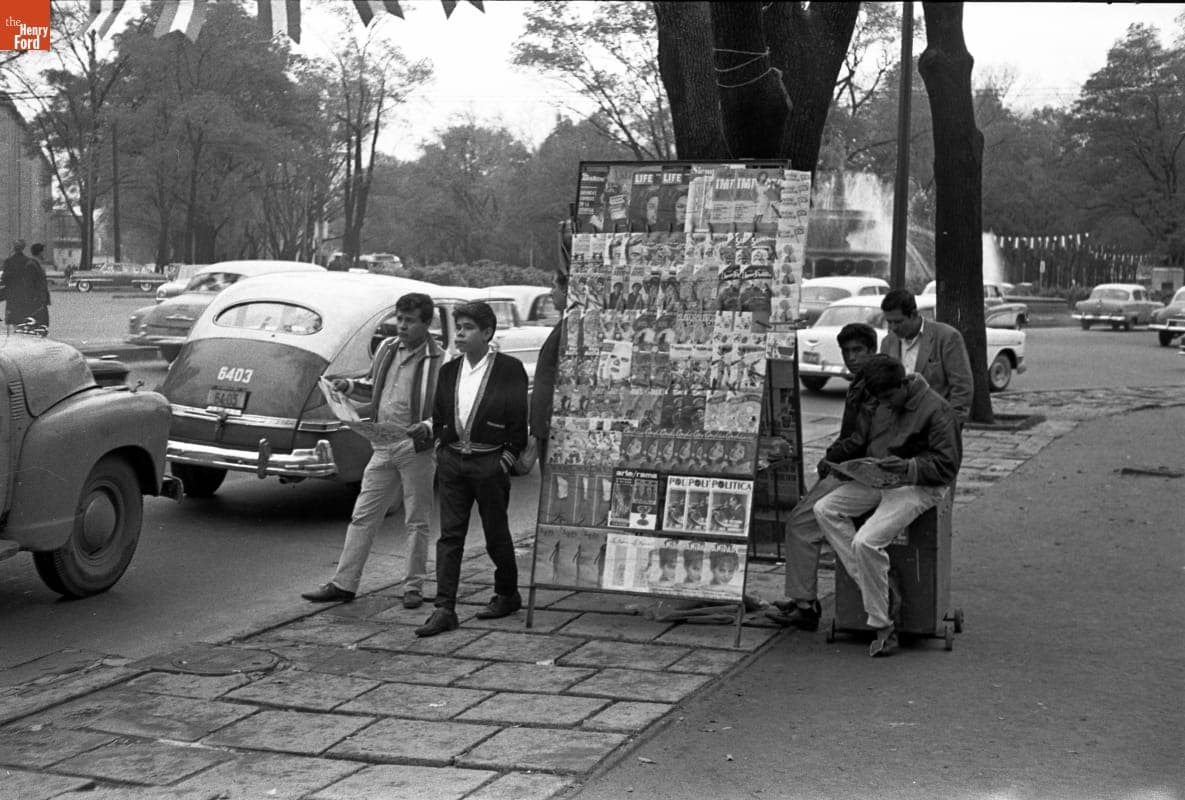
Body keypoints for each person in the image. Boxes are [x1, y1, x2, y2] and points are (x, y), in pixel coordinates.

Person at [813, 354, 962, 657]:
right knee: (825, 509)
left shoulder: (937, 410)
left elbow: (947, 467)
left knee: (865, 542)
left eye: (888, 398)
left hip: (918, 485)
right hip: (884, 477)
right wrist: (845, 465)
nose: (885, 404)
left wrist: (907, 467)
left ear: (903, 384)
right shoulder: (884, 401)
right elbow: (870, 444)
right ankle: (879, 585)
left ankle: (883, 624)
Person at [301, 293, 444, 609]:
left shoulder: (440, 359)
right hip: (382, 444)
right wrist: (347, 389)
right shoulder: (387, 348)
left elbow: (448, 408)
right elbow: (374, 388)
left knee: (417, 520)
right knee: (363, 516)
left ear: (426, 323)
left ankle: (413, 587)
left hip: (415, 448)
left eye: (410, 321)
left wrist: (429, 426)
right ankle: (344, 584)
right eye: (400, 319)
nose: (402, 326)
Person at [416, 301, 529, 637]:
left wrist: (504, 461)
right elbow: (439, 415)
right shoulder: (450, 371)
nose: (460, 334)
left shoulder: (509, 369)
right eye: (458, 328)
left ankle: (507, 593)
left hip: (489, 462)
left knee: (496, 533)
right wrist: (440, 447)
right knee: (450, 535)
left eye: (467, 328)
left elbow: (516, 425)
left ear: (487, 333)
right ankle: (444, 608)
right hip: (453, 462)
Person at [767, 322, 878, 630]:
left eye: (858, 351)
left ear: (873, 351)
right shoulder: (862, 381)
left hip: (855, 471)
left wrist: (831, 457)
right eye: (847, 351)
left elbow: (860, 439)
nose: (851, 357)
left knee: (801, 523)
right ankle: (802, 597)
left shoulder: (870, 385)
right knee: (802, 519)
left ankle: (804, 604)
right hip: (851, 467)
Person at [879, 288, 973, 424]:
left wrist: (953, 424)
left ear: (913, 314)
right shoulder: (888, 343)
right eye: (889, 322)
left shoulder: (947, 337)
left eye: (898, 322)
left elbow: (962, 386)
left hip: (936, 423)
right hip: (899, 426)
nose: (893, 327)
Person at [530, 271, 567, 467]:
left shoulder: (568, 327)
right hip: (546, 421)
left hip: (551, 422)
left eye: (555, 286)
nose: (551, 292)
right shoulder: (562, 324)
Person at [1, 239, 51, 334]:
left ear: (13, 248)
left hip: (13, 298)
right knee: (27, 325)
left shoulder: (9, 261)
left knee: (17, 325)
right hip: (28, 299)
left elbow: (5, 280)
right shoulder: (29, 262)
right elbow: (35, 282)